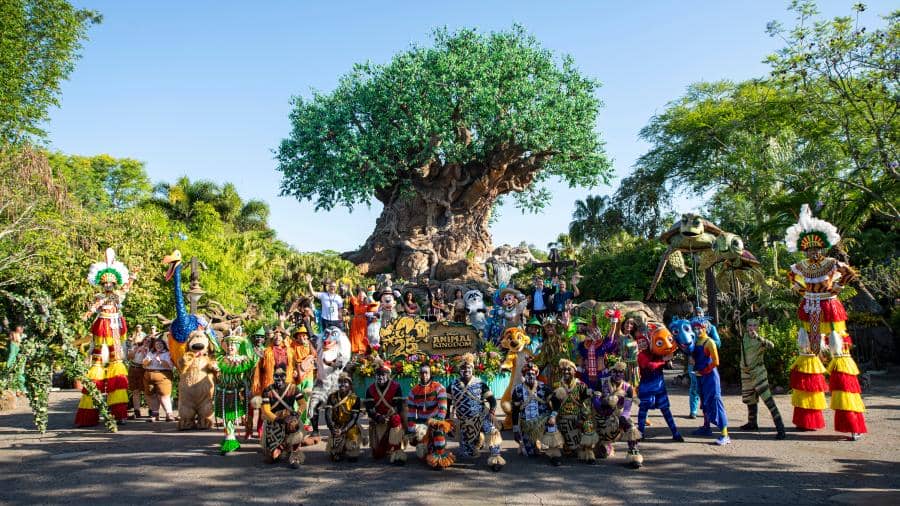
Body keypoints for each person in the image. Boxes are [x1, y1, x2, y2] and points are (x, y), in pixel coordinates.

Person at [784, 204, 865, 439]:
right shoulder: (801, 266)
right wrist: (803, 292)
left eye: (816, 248)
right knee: (808, 355)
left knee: (839, 353)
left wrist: (836, 288)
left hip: (829, 308)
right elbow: (792, 279)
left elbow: (849, 273)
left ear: (823, 246)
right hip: (809, 309)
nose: (812, 253)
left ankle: (850, 423)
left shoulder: (831, 263)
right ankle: (808, 418)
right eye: (808, 249)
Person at [76, 248, 136, 426]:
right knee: (97, 364)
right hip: (102, 329)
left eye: (111, 283)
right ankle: (89, 413)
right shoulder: (100, 296)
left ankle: (120, 413)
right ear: (102, 284)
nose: (108, 286)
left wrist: (132, 276)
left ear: (114, 283)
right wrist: (88, 313)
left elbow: (126, 287)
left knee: (117, 365)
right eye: (105, 283)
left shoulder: (118, 295)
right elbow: (97, 305)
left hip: (115, 330)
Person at [448, 353, 505, 471]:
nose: (466, 370)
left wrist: (492, 412)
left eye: (468, 368)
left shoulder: (480, 384)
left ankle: (496, 458)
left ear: (472, 369)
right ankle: (478, 440)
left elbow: (492, 401)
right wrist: (448, 420)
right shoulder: (452, 386)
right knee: (468, 454)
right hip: (464, 421)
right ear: (459, 370)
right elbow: (447, 404)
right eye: (463, 368)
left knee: (492, 431)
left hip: (481, 416)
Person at [583, 361, 643, 468]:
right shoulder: (601, 382)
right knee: (588, 424)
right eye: (615, 372)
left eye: (621, 372)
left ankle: (633, 454)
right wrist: (603, 410)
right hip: (599, 414)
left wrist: (624, 418)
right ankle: (589, 452)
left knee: (632, 427)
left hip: (617, 415)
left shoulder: (627, 387)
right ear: (611, 371)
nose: (618, 374)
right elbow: (595, 400)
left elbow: (627, 408)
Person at [680, 320, 730, 445]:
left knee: (715, 402)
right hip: (700, 376)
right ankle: (706, 427)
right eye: (695, 328)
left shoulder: (710, 342)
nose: (697, 330)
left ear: (705, 328)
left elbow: (716, 362)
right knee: (704, 402)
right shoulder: (696, 342)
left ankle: (725, 434)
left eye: (699, 328)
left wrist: (704, 371)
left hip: (710, 377)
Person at [737, 316, 786, 439]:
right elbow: (735, 327)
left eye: (754, 326)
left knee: (768, 400)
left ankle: (780, 428)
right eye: (749, 325)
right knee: (749, 399)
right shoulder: (744, 337)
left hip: (758, 373)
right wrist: (736, 317)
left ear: (758, 327)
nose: (751, 328)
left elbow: (772, 345)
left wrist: (759, 338)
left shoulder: (760, 340)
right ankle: (752, 423)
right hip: (745, 373)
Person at [511, 361, 563, 466]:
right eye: (528, 374)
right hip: (527, 425)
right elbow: (515, 411)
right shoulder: (517, 390)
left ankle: (554, 455)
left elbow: (557, 402)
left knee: (551, 426)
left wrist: (553, 416)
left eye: (533, 374)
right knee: (531, 454)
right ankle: (530, 445)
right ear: (524, 375)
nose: (530, 376)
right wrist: (516, 430)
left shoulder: (544, 388)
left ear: (537, 374)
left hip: (543, 422)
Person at [636, 327, 683, 441]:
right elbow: (651, 365)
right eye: (640, 343)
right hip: (647, 387)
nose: (642, 344)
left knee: (666, 410)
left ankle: (675, 433)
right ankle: (640, 433)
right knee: (643, 410)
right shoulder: (641, 356)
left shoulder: (655, 352)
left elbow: (667, 348)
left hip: (659, 387)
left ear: (648, 341)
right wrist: (663, 360)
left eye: (644, 341)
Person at [215, 332, 257, 454]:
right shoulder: (221, 359)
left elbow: (251, 372)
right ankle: (230, 438)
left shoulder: (244, 360)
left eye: (233, 345)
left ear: (238, 347)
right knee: (226, 417)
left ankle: (230, 439)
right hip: (223, 391)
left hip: (236, 392)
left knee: (230, 417)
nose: (230, 347)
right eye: (228, 345)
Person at [249, 328, 294, 439]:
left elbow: (293, 367)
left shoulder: (289, 351)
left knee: (285, 411)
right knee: (267, 411)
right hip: (270, 384)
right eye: (275, 336)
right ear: (272, 339)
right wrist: (262, 359)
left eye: (280, 336)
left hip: (285, 385)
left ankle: (284, 436)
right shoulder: (267, 351)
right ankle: (265, 435)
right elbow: (259, 370)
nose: (278, 338)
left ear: (283, 338)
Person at [406, 364, 453, 469]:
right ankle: (428, 449)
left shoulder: (438, 387)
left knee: (438, 432)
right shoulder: (413, 391)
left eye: (426, 372)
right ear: (419, 374)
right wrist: (411, 428)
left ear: (430, 374)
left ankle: (439, 459)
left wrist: (437, 421)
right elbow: (411, 412)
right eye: (422, 372)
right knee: (422, 453)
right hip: (422, 424)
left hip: (436, 421)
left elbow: (443, 408)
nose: (424, 375)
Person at [259, 367, 307, 468]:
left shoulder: (293, 388)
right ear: (273, 377)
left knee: (295, 428)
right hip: (273, 419)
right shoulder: (267, 391)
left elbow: (303, 404)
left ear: (286, 376)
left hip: (290, 417)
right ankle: (278, 449)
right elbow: (267, 411)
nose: (279, 379)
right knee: (271, 458)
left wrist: (297, 414)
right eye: (276, 376)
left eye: (282, 376)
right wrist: (279, 420)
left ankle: (295, 456)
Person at [364, 359, 408, 464]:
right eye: (378, 375)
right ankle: (383, 447)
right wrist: (378, 417)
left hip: (392, 417)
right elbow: (369, 408)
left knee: (396, 419)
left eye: (383, 374)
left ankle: (397, 451)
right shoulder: (370, 389)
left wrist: (389, 415)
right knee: (377, 455)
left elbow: (398, 405)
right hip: (378, 418)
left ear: (388, 375)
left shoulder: (396, 387)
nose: (380, 377)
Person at [550, 359, 592, 462]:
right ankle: (555, 453)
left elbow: (587, 404)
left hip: (577, 418)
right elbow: (552, 404)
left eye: (569, 369)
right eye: (564, 370)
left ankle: (588, 452)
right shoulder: (557, 385)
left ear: (574, 371)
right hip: (562, 418)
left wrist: (583, 418)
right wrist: (553, 416)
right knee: (550, 424)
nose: (566, 372)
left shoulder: (581, 385)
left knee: (589, 424)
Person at [324, 373, 362, 462]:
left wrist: (344, 430)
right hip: (337, 425)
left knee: (352, 434)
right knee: (335, 452)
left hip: (350, 426)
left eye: (345, 382)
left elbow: (354, 418)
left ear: (350, 385)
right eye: (340, 382)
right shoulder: (332, 397)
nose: (342, 384)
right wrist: (332, 428)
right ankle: (337, 451)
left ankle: (352, 451)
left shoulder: (355, 399)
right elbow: (327, 414)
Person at [142, 338, 175, 422]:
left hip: (163, 375)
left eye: (160, 344)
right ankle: (155, 414)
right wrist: (147, 361)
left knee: (164, 395)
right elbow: (144, 365)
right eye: (157, 344)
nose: (158, 346)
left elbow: (170, 366)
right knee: (151, 395)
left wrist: (161, 361)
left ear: (164, 345)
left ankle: (169, 414)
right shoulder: (151, 353)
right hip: (149, 375)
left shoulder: (167, 353)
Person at [126, 329, 149, 418]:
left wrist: (145, 353)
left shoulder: (151, 349)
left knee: (146, 391)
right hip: (133, 368)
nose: (147, 342)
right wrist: (135, 350)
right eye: (145, 340)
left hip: (143, 369)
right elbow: (129, 357)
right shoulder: (136, 346)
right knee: (135, 391)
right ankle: (137, 411)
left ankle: (151, 411)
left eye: (149, 341)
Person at [4, 323, 27, 397]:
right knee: (20, 375)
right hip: (21, 361)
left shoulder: (13, 344)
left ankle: (21, 390)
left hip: (15, 362)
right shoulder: (19, 343)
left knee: (18, 375)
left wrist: (8, 364)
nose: (9, 336)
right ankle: (20, 390)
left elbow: (12, 354)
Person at [347, 287, 370, 355]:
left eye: (362, 295)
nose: (361, 297)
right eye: (360, 295)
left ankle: (363, 349)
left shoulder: (367, 304)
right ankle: (355, 350)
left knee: (363, 336)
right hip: (355, 321)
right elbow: (351, 295)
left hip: (363, 322)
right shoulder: (356, 302)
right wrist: (349, 288)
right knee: (355, 336)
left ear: (365, 296)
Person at [619, 318, 640, 388]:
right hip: (623, 366)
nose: (629, 325)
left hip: (634, 366)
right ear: (623, 324)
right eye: (627, 323)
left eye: (631, 323)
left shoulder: (636, 338)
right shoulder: (620, 336)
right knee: (623, 387)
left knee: (634, 387)